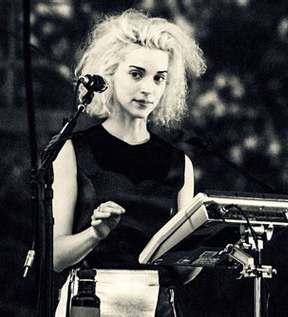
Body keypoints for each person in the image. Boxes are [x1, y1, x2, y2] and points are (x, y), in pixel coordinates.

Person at [52, 8, 206, 316]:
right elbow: (55, 256)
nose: (148, 88)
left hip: (156, 305)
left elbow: (181, 272)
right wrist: (95, 234)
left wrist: (208, 248)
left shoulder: (179, 163)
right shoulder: (73, 150)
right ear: (110, 73)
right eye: (136, 74)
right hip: (89, 301)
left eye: (159, 78)